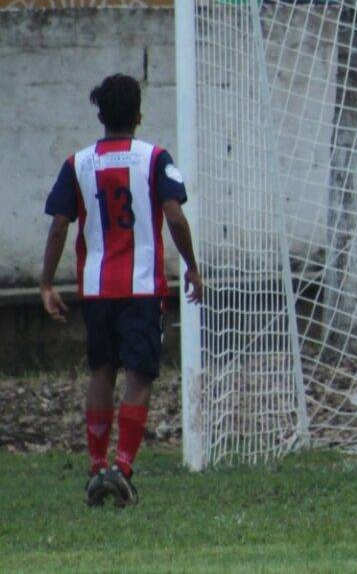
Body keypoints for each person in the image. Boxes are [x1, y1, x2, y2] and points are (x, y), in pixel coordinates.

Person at [40, 74, 204, 507]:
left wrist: (45, 282)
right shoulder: (154, 159)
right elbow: (176, 217)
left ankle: (96, 466)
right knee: (139, 375)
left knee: (101, 371)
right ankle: (123, 468)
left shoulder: (77, 164)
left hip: (95, 290)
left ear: (100, 116)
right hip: (142, 289)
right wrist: (192, 267)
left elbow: (59, 224)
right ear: (138, 114)